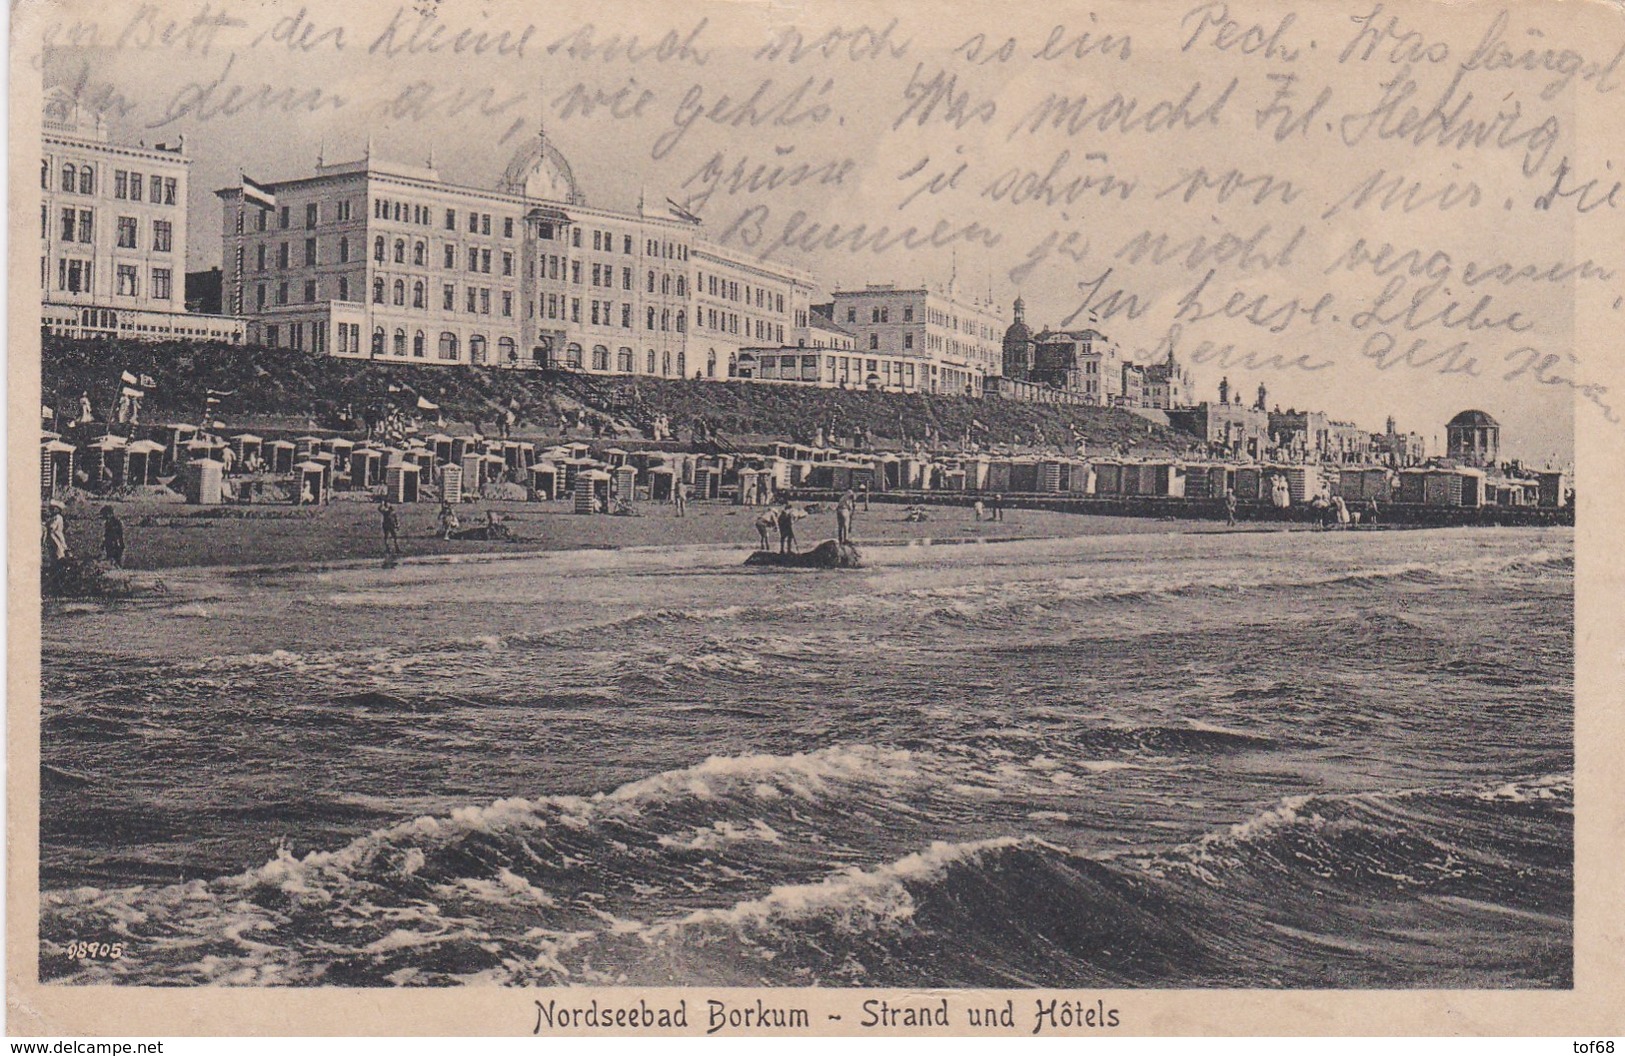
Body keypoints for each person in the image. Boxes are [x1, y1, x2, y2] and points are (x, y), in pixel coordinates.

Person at [42, 501, 69, 569]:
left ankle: (58, 567)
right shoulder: (56, 517)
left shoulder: (57, 517)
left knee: (57, 550)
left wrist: (46, 525)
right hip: (57, 535)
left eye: (54, 508)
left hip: (55, 536)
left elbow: (52, 527)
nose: (52, 509)